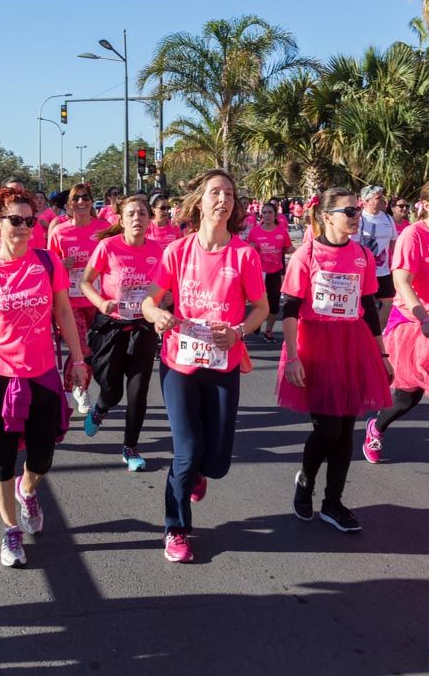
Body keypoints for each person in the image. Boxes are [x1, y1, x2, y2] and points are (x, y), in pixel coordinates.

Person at [0, 187, 89, 567]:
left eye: (30, 221)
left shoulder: (47, 262)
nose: (25, 228)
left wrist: (78, 360)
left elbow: (63, 313)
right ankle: (10, 530)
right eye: (16, 220)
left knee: (41, 457)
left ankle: (28, 491)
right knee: (4, 457)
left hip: (41, 374)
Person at [141, 169, 268, 564]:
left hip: (222, 361)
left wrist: (240, 332)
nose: (223, 199)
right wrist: (157, 317)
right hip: (179, 362)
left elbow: (262, 307)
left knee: (216, 461)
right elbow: (149, 301)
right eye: (215, 192)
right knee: (186, 449)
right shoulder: (177, 251)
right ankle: (175, 528)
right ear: (200, 201)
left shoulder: (244, 254)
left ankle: (199, 472)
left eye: (229, 193)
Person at [278, 188, 391, 532]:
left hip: (353, 343)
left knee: (346, 430)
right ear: (327, 216)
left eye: (357, 210)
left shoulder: (362, 255)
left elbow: (370, 307)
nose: (356, 216)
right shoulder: (306, 255)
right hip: (317, 346)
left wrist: (382, 352)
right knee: (327, 428)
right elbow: (290, 308)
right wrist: (294, 357)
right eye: (349, 211)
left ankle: (333, 502)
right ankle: (306, 480)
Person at [363, 177, 429, 464]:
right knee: (406, 399)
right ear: (425, 205)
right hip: (417, 326)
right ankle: (376, 427)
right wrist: (423, 318)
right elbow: (401, 280)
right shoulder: (414, 235)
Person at [79, 195, 164, 470]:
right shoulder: (108, 247)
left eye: (142, 213)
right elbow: (85, 282)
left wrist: (166, 305)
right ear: (121, 220)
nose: (137, 218)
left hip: (143, 327)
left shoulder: (158, 250)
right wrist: (101, 302)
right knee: (113, 391)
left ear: (149, 219)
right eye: (131, 214)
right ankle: (100, 409)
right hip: (111, 327)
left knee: (138, 393)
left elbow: (166, 287)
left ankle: (130, 448)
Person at [47, 182, 111, 415]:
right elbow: (49, 267)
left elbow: (115, 259)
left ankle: (76, 388)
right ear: (69, 204)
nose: (81, 202)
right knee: (80, 349)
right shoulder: (59, 232)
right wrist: (61, 266)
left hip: (97, 299)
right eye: (76, 199)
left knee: (91, 350)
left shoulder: (104, 228)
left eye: (85, 198)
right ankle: (72, 392)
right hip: (69, 300)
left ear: (92, 201)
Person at [352, 185, 398, 327]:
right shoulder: (360, 220)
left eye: (382, 197)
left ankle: (377, 333)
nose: (382, 200)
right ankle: (364, 332)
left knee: (388, 303)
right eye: (378, 198)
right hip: (364, 271)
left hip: (383, 271)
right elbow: (353, 247)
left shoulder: (388, 219)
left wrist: (395, 266)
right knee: (364, 305)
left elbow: (393, 243)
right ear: (366, 201)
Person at [247, 202, 293, 342]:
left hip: (275, 271)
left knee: (273, 304)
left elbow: (288, 248)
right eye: (264, 213)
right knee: (258, 301)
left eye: (270, 212)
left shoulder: (282, 231)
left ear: (275, 214)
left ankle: (269, 331)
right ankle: (256, 322)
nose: (267, 215)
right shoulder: (254, 232)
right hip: (259, 272)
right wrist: (251, 247)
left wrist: (302, 251)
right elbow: (249, 250)